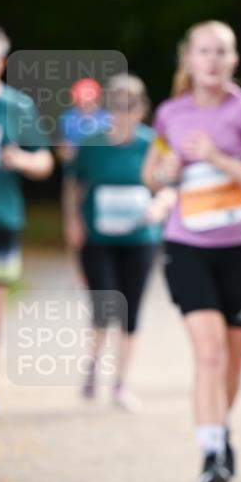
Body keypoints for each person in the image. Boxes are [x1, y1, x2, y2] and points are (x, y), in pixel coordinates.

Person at [142, 20, 241, 482]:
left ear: (234, 60)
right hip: (188, 247)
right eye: (204, 51)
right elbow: (152, 176)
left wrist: (219, 158)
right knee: (208, 351)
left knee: (232, 358)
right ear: (188, 59)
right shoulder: (169, 114)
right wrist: (164, 170)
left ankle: (221, 430)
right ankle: (210, 450)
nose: (212, 60)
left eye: (222, 51)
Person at [63, 74, 160, 411]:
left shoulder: (153, 144)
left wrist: (160, 206)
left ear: (143, 109)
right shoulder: (91, 142)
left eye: (131, 105)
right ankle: (92, 366)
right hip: (98, 238)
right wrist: (73, 221)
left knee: (131, 310)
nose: (124, 111)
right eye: (118, 104)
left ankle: (121, 382)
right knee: (104, 305)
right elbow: (73, 184)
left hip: (139, 239)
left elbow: (167, 185)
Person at [0, 23, 54, 413]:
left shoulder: (17, 107)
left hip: (0, 215)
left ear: (1, 63)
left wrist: (19, 159)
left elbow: (45, 161)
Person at [58, 78, 110, 163]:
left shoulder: (107, 120)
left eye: (89, 103)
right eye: (80, 102)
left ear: (98, 101)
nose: (83, 107)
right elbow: (64, 149)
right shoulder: (67, 118)